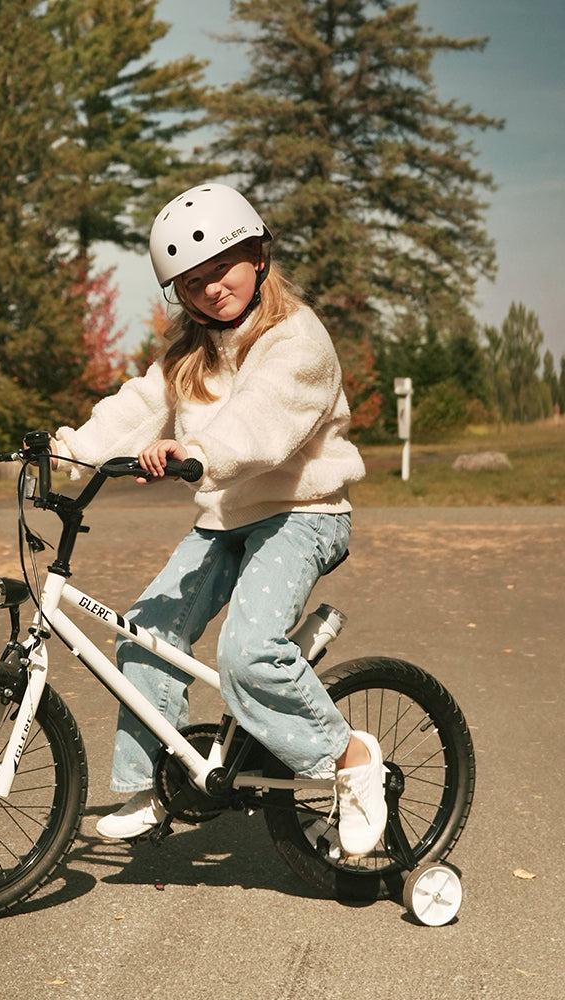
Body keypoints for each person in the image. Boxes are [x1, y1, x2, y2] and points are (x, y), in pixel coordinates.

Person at [51, 183, 387, 858]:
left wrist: (196, 451)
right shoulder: (190, 354)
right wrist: (69, 449)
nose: (210, 291)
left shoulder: (298, 340)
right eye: (192, 283)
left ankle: (350, 759)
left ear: (259, 255)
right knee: (144, 635)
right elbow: (140, 406)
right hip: (224, 519)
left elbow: (263, 416)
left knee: (247, 651)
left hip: (302, 514)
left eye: (221, 270)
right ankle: (155, 785)